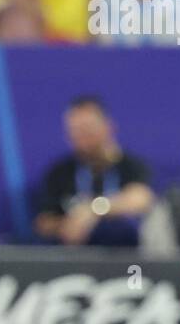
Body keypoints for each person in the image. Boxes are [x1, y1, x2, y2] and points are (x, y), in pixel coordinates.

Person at [35, 96, 154, 247]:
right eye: (75, 132)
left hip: (128, 257)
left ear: (108, 127)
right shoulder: (60, 172)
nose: (82, 139)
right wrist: (65, 226)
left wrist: (94, 210)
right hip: (76, 257)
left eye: (87, 130)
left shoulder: (131, 166)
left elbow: (140, 199)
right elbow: (43, 222)